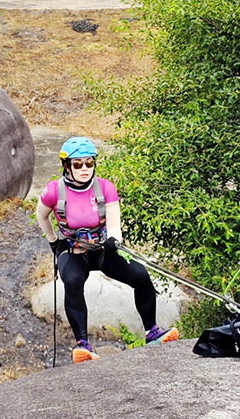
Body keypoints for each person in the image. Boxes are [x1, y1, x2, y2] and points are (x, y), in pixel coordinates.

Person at [35, 137, 179, 363]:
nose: (84, 169)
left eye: (89, 163)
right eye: (78, 164)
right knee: (72, 281)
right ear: (67, 166)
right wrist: (54, 242)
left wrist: (114, 239)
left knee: (141, 276)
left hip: (103, 247)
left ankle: (152, 332)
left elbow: (113, 222)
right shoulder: (54, 191)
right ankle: (82, 344)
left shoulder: (105, 188)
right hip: (73, 249)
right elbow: (41, 216)